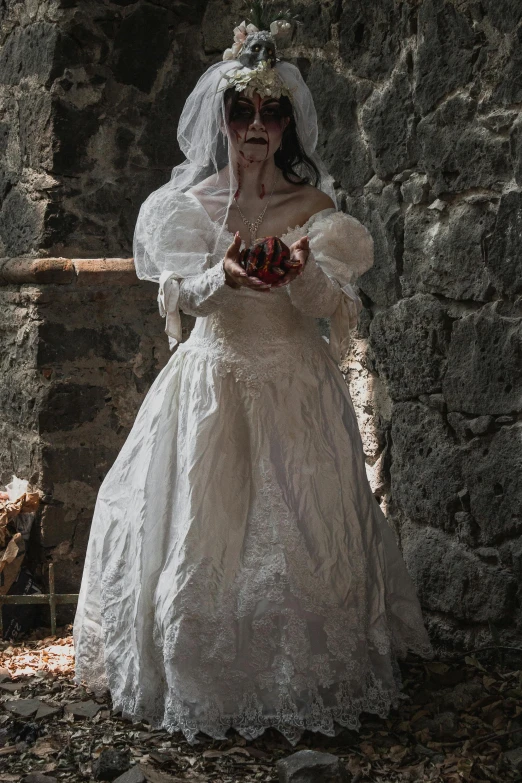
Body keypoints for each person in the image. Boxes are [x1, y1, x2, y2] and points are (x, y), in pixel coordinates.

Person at [73, 17, 434, 747]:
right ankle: (203, 679)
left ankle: (309, 679)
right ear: (223, 118)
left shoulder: (315, 211)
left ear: (288, 122)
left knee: (303, 536)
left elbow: (340, 311)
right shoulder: (188, 208)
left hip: (296, 381)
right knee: (197, 539)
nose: (257, 125)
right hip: (212, 381)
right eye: (243, 111)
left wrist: (299, 275)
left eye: (272, 111)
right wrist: (221, 273)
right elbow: (174, 300)